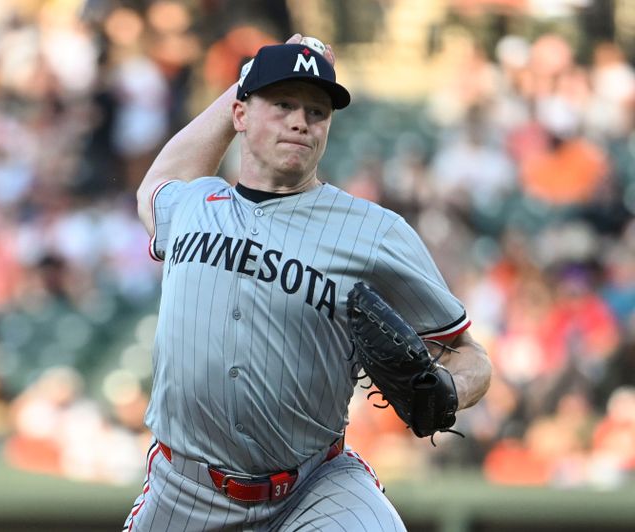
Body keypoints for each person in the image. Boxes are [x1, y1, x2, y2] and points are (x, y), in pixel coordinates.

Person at [125, 34, 492, 531]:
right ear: (240, 115)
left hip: (313, 489)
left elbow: (469, 355)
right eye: (282, 104)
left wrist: (449, 387)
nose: (301, 120)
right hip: (183, 491)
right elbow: (155, 182)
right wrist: (243, 80)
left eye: (317, 112)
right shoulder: (195, 204)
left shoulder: (373, 232)